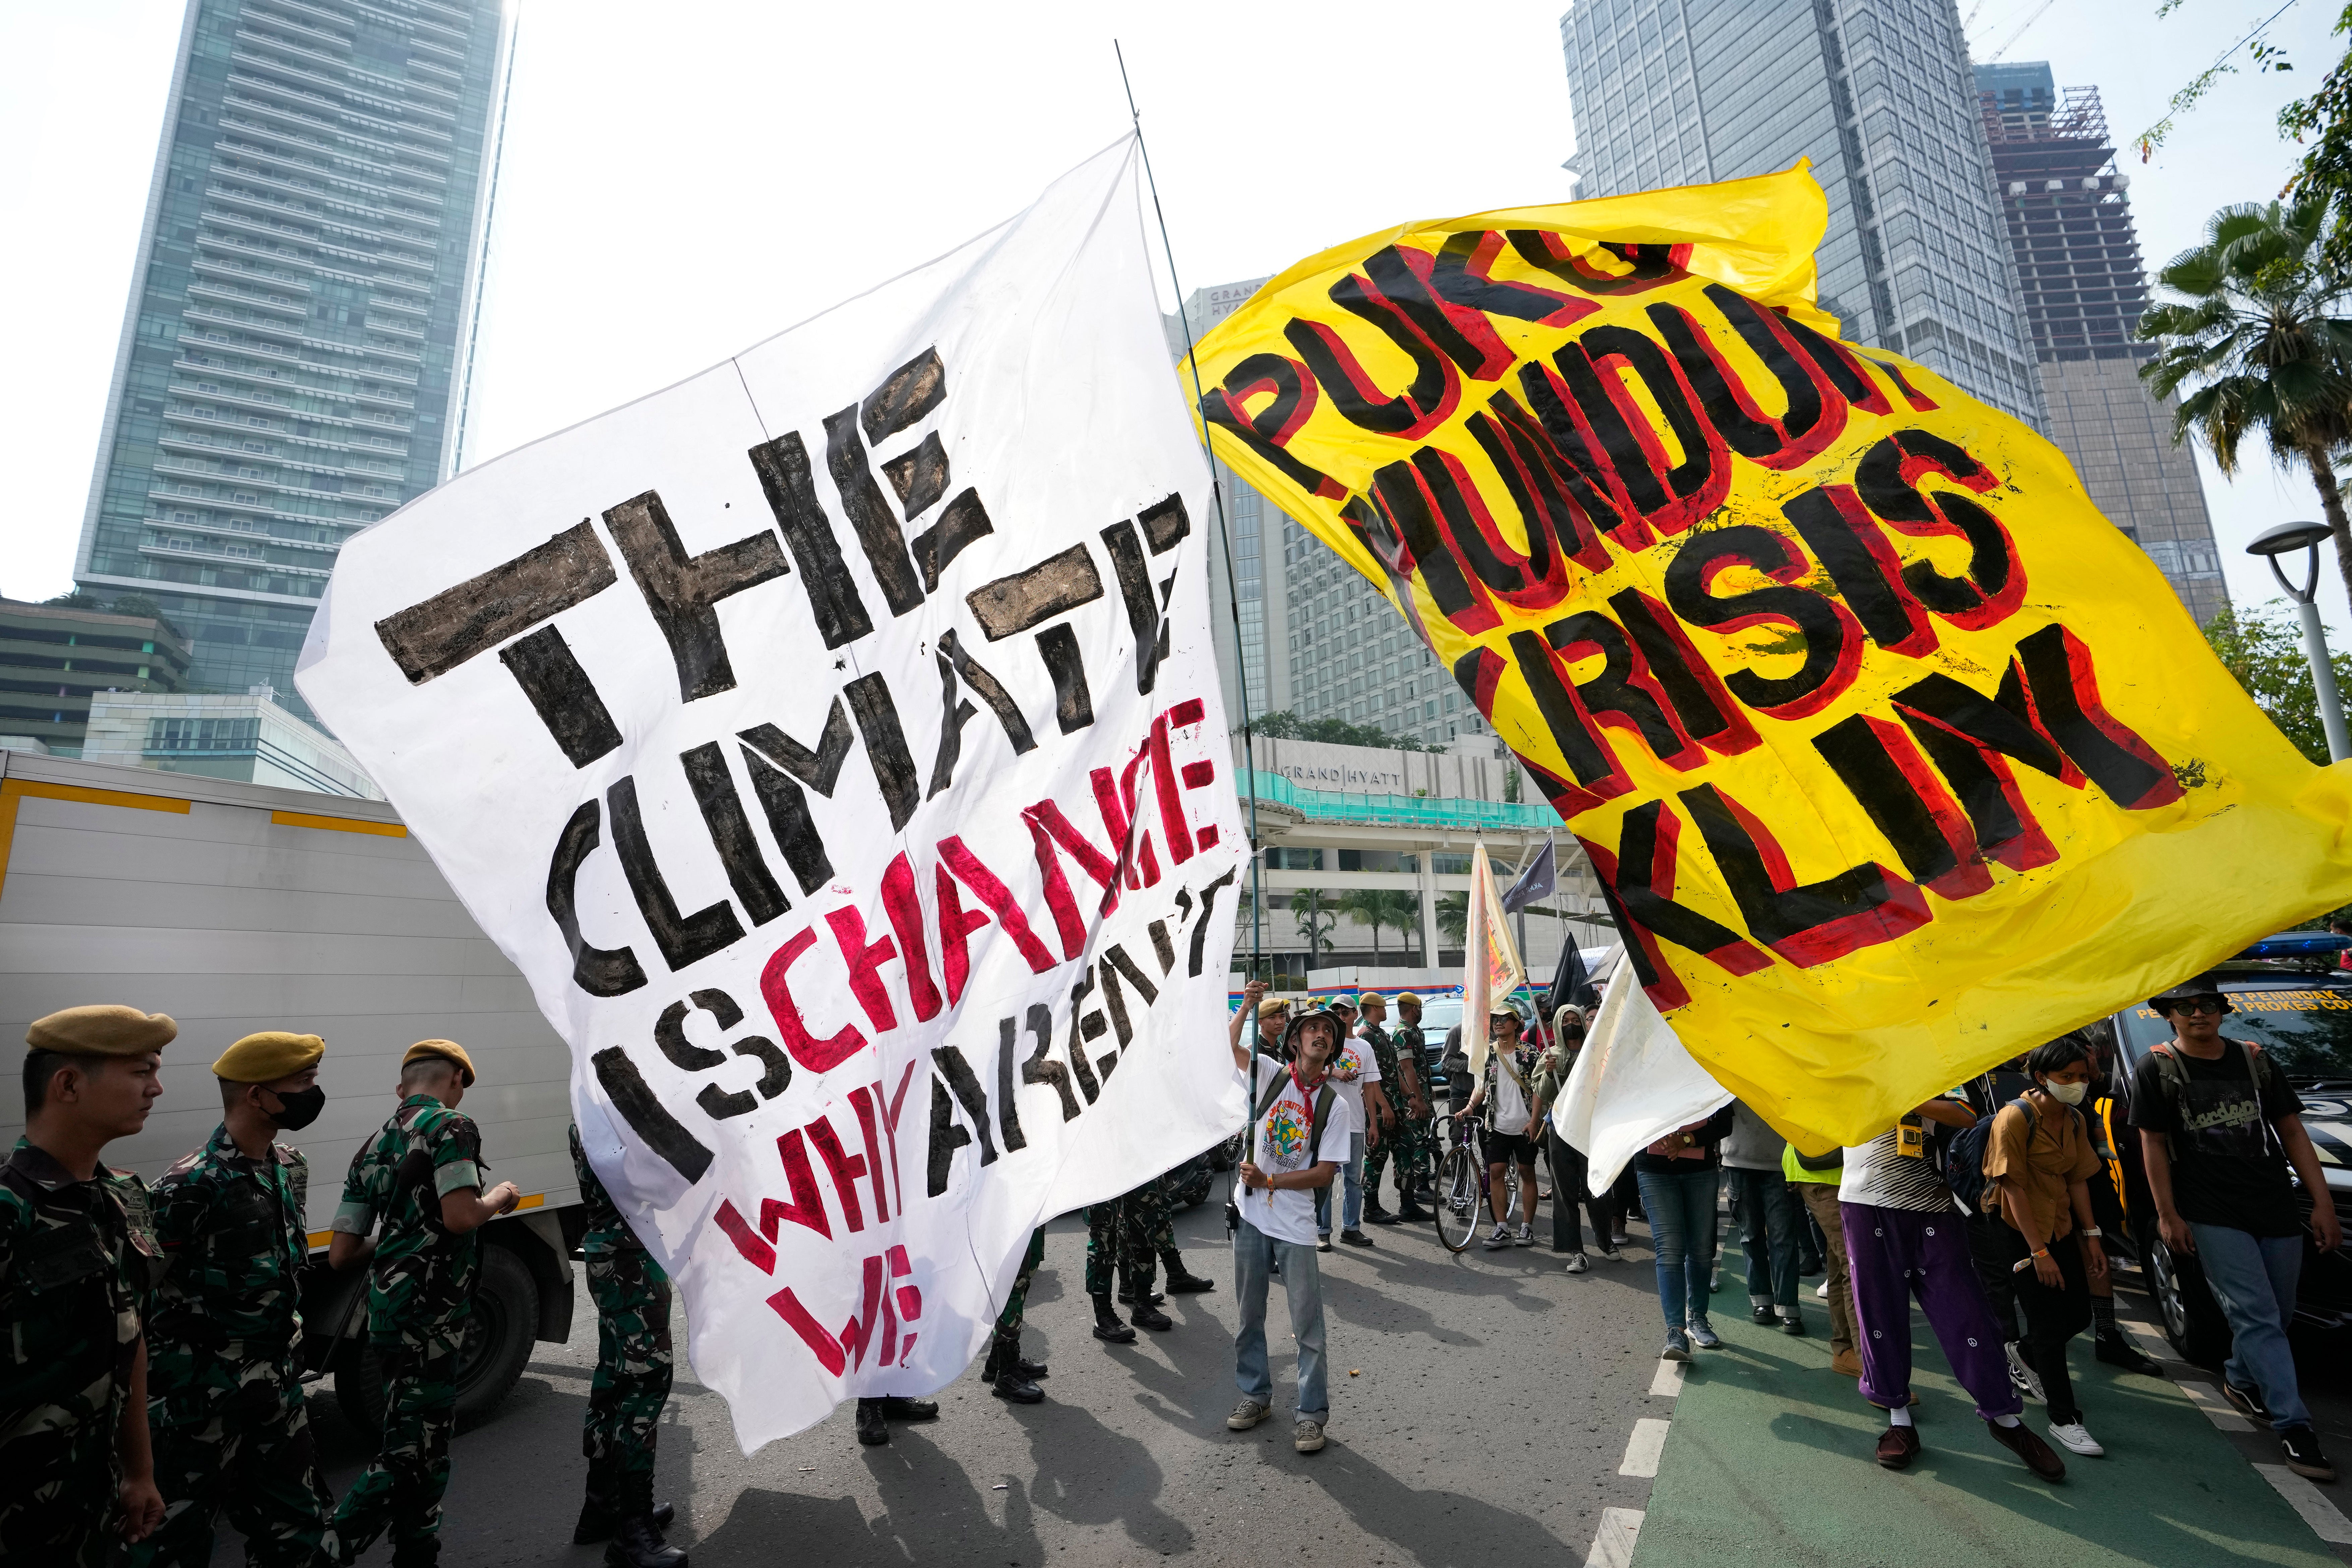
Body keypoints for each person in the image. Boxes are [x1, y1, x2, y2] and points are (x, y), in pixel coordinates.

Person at [136, 1030, 338, 1568]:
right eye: (302, 1083)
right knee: (173, 1545)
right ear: (255, 1095)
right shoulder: (189, 1185)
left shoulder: (287, 1164)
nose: (312, 1095)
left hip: (276, 1394)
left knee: (301, 1536)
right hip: (199, 1405)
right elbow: (137, 1295)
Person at [2132, 973, 2342, 1483]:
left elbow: (2291, 1129)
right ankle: (2295, 1427)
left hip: (2271, 1201)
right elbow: (2153, 1143)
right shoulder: (2157, 1065)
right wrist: (2167, 1213)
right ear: (2169, 1014)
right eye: (2185, 1007)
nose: (2197, 1013)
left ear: (2222, 1010)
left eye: (2206, 1004)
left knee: (2279, 1310)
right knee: (2257, 1314)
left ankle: (2241, 1376)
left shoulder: (2253, 1059)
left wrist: (2322, 1203)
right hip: (2209, 1208)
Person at [327, 1040, 520, 1566]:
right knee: (410, 1451)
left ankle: (417, 1551)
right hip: (431, 1314)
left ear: (401, 1088)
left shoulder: (370, 1145)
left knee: (426, 1439)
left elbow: (342, 1253)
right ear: (456, 1080)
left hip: (389, 1311)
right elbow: (461, 1215)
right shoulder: (451, 1127)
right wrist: (501, 1195)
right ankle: (321, 1551)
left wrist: (400, 1238)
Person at [1, 1005, 171, 1565]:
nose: (157, 1086)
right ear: (69, 1083)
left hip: (94, 1503)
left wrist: (139, 1470)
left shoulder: (122, 1196)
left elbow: (130, 1331)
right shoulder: (9, 1208)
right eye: (141, 1070)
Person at [1841, 1097, 2065, 1481]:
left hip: (1934, 1202)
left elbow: (1965, 1116)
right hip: (1866, 1201)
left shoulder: (1933, 1060)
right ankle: (1899, 1419)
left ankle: (2005, 1419)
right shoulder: (1847, 1065)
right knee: (1879, 1313)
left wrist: (1912, 1095)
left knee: (1967, 1313)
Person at [1225, 1000, 1354, 1455]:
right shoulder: (1266, 1072)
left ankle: (1311, 1415)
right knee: (1248, 1317)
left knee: (1308, 1327)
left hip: (1296, 1225)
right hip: (1250, 1216)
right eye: (1311, 1029)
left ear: (1333, 1046)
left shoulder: (1334, 1106)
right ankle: (1256, 1396)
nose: (1320, 1034)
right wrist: (1245, 1004)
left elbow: (1323, 1174)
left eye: (1327, 1031)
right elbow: (1226, 1043)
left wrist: (1271, 1179)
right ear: (1295, 1040)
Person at [1978, 1035, 2110, 1460]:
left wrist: (2091, 1238)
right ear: (2041, 1078)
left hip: (2059, 1224)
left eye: (2082, 1077)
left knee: (2078, 1312)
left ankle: (2025, 1352)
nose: (2076, 1084)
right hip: (2017, 1229)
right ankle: (2065, 1419)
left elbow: (2077, 1179)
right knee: (2049, 1320)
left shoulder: (2072, 1119)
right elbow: (2011, 1186)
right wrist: (2038, 1252)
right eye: (2066, 1077)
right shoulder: (2014, 1118)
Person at [568, 1124, 686, 1567]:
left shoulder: (589, 1104)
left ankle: (604, 1505)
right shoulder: (621, 1108)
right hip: (630, 1260)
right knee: (644, 1385)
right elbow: (663, 1184)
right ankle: (633, 1532)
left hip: (611, 1252)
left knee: (614, 1379)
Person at [1633, 1102, 1735, 1359]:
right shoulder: (1643, 1068)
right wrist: (1662, 1136)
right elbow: (1626, 1112)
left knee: (1701, 1250)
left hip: (1700, 1172)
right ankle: (1676, 1332)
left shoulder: (1711, 1067)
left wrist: (1686, 1140)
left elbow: (1724, 1124)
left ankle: (1697, 1319)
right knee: (1669, 1250)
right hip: (1654, 1171)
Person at [1529, 1013, 1614, 1269]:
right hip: (1560, 1130)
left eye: (1575, 1020)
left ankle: (1605, 1239)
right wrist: (1548, 1072)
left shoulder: (1596, 1051)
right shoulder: (1549, 1056)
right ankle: (1575, 1251)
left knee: (1597, 1188)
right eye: (1565, 1020)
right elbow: (1541, 1093)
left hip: (1590, 1131)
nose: (1571, 1025)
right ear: (1557, 1024)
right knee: (1564, 1193)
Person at [1458, 1005, 1543, 1249]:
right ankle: (1502, 1227)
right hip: (1497, 1126)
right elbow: (1482, 1086)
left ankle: (1526, 1227)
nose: (1498, 1023)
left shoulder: (1530, 1053)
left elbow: (1538, 1089)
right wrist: (1470, 1107)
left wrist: (1534, 1121)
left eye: (1505, 1019)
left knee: (1527, 1173)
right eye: (1495, 1019)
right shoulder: (1489, 1054)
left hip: (1525, 1125)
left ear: (1516, 1024)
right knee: (1495, 1172)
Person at [1313, 998, 1388, 1250]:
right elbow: (1303, 1072)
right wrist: (1331, 1072)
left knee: (1353, 1179)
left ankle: (1351, 1229)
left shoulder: (1364, 1047)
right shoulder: (1323, 1043)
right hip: (1324, 1123)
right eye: (1336, 1012)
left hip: (1354, 1122)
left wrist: (1373, 1124)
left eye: (1345, 1012)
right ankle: (1322, 1232)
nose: (1341, 1016)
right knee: (1323, 1178)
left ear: (1355, 1014)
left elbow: (1369, 1087)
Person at [1723, 1101, 1804, 1335]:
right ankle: (1761, 1301)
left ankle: (1788, 1307)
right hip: (1738, 1156)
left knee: (1783, 1237)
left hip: (1780, 1159)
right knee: (1751, 1235)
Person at [1782, 1140, 1857, 1374]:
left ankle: (1846, 1351)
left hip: (1845, 1170)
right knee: (1855, 1268)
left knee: (1842, 1265)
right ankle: (1871, 1365)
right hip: (1824, 1171)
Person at [1358, 994, 1428, 1225]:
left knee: (1405, 1152)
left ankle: (1408, 1204)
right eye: (1384, 1007)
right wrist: (1385, 1106)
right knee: (1377, 1158)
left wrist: (1410, 1097)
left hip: (1396, 1105)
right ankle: (1371, 1207)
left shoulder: (1381, 1034)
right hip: (1379, 1109)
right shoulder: (1365, 1036)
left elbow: (1394, 1070)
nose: (1388, 1011)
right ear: (1375, 1008)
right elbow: (1369, 1079)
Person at [980, 1228, 1050, 1403]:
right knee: (1011, 1278)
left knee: (1028, 1266)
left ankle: (997, 1359)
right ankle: (1007, 1372)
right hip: (1002, 1208)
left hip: (1025, 1203)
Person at [1390, 993, 1438, 1213]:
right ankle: (1421, 1187)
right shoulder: (1403, 1033)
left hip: (1423, 1095)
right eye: (1419, 1008)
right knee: (1418, 1141)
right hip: (1413, 1099)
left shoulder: (1414, 1030)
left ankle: (1423, 1183)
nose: (1421, 1011)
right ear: (1414, 1009)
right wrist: (1417, 1100)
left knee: (1425, 1138)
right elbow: (1407, 1068)